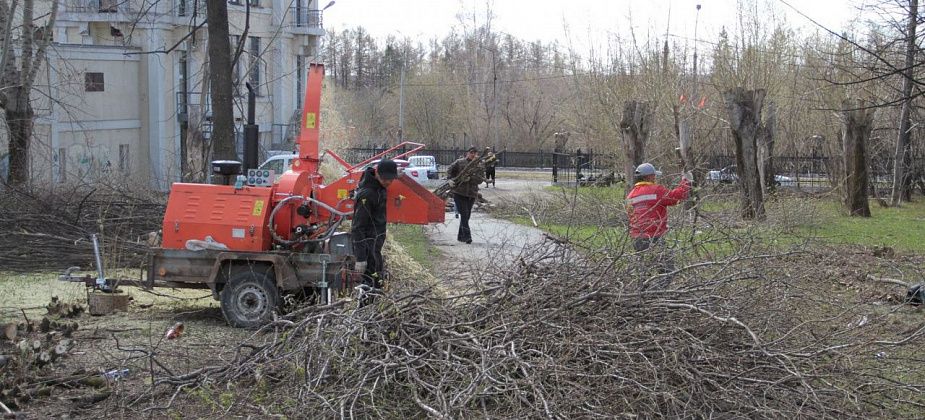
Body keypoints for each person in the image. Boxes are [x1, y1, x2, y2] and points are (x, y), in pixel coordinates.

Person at [351, 159, 399, 294]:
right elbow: (357, 227)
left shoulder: (378, 186)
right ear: (377, 173)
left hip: (375, 245)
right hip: (367, 246)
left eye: (391, 179)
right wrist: (360, 258)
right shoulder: (368, 193)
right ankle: (365, 310)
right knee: (370, 284)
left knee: (377, 282)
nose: (388, 182)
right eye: (385, 179)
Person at [626, 162, 691, 252]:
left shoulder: (630, 195)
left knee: (644, 264)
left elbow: (631, 216)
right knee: (665, 265)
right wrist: (686, 181)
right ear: (648, 177)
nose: (655, 178)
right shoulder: (656, 190)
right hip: (653, 237)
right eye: (653, 176)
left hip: (636, 239)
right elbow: (677, 197)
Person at [447, 146, 485, 244]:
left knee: (467, 216)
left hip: (471, 194)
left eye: (475, 153)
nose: (473, 154)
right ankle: (468, 237)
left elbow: (480, 180)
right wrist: (450, 179)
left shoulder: (479, 165)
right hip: (459, 192)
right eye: (471, 152)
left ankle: (460, 236)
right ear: (467, 153)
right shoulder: (460, 162)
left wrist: (471, 179)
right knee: (464, 215)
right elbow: (450, 170)